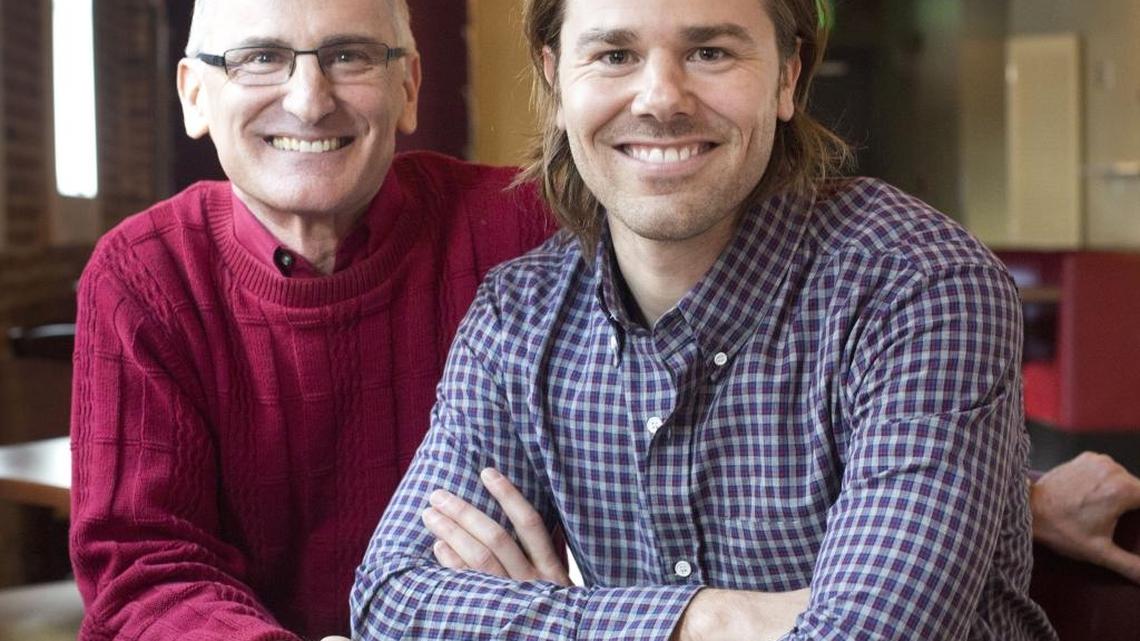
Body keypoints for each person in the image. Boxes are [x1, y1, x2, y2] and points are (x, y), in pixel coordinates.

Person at [349, 0, 1060, 638]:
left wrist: (550, 624)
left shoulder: (918, 285)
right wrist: (710, 614)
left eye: (710, 51)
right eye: (615, 54)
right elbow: (391, 600)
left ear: (787, 76)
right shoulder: (518, 316)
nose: (661, 98)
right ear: (557, 79)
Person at [67, 0, 551, 639]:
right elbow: (142, 566)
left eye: (348, 55)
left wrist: (558, 610)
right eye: (260, 58)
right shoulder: (144, 274)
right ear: (195, 97)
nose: (309, 100)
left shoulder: (526, 227)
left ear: (407, 88)